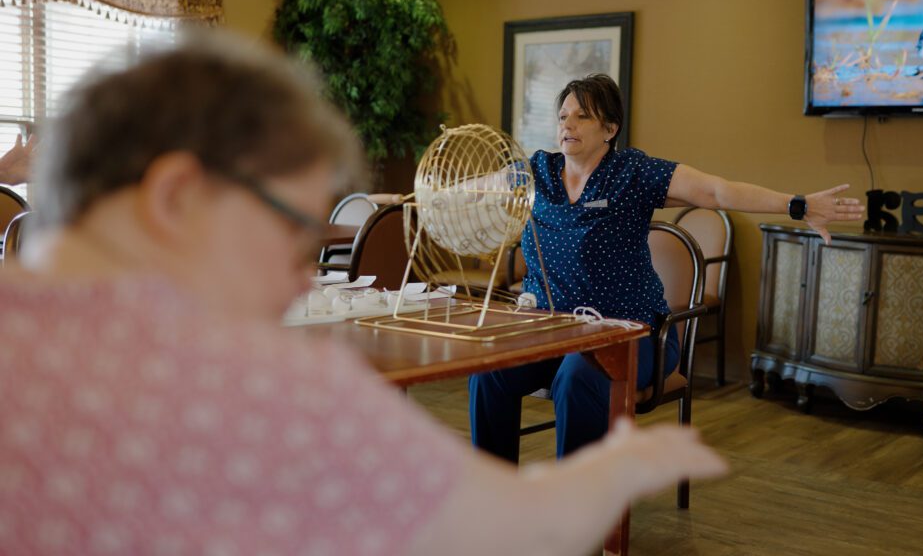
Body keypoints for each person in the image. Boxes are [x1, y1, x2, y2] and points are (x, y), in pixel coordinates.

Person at [0, 33, 726, 556]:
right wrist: (604, 481)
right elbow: (507, 524)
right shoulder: (269, 385)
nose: (302, 275)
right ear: (176, 198)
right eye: (292, 229)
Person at [470, 73, 865, 462]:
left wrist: (797, 205)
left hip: (629, 333)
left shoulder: (634, 173)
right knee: (488, 368)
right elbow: (473, 188)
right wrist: (420, 196)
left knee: (579, 372)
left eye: (582, 116)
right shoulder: (537, 171)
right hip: (552, 331)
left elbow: (716, 190)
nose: (567, 125)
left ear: (610, 128)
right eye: (563, 117)